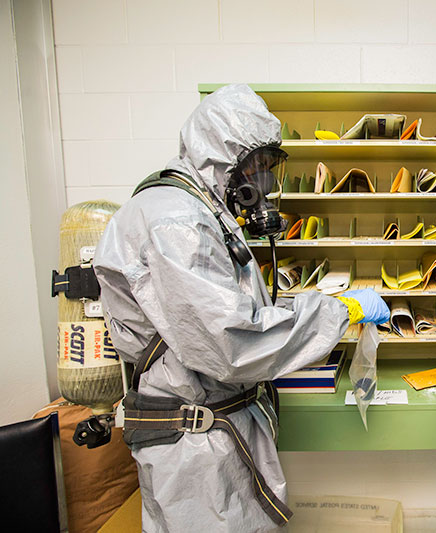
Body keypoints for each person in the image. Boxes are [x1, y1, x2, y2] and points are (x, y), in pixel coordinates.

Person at [93, 84, 389, 532]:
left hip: (213, 430)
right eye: (258, 166)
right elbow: (230, 341)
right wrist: (338, 311)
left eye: (271, 167)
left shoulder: (199, 210)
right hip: (195, 446)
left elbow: (224, 310)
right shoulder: (178, 221)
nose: (265, 182)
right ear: (221, 158)